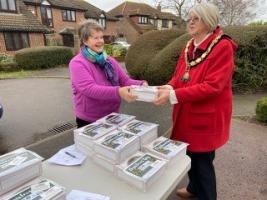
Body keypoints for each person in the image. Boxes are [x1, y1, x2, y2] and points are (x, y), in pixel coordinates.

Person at [153, 3, 237, 200]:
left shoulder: (222, 46)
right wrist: (169, 86)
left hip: (206, 117)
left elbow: (212, 86)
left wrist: (174, 96)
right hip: (186, 113)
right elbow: (179, 75)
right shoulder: (190, 44)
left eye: (195, 18)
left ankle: (207, 195)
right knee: (188, 154)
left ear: (208, 21)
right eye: (189, 18)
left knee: (202, 161)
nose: (190, 22)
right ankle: (193, 189)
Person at [69, 21, 146, 128]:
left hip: (112, 115)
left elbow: (125, 81)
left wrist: (142, 84)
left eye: (101, 37)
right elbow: (89, 89)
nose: (100, 41)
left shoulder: (109, 60)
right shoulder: (77, 63)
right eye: (95, 38)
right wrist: (118, 91)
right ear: (85, 41)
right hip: (90, 119)